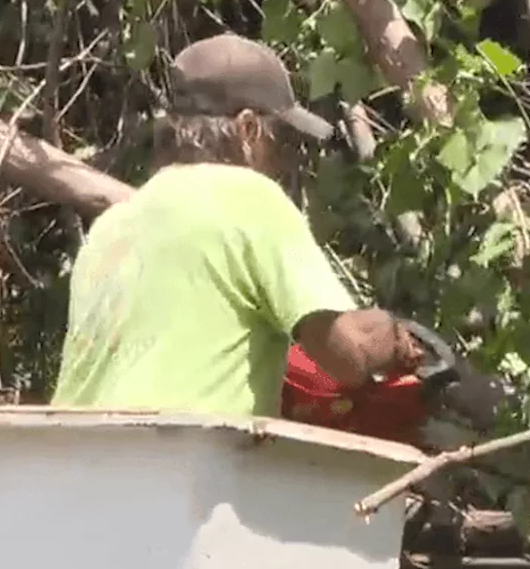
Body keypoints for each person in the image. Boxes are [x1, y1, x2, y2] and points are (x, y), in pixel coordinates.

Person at [51, 33, 422, 418]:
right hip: (184, 461)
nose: (283, 159)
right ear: (248, 129)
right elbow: (347, 356)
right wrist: (389, 337)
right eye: (282, 139)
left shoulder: (112, 226)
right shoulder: (251, 199)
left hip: (79, 461)